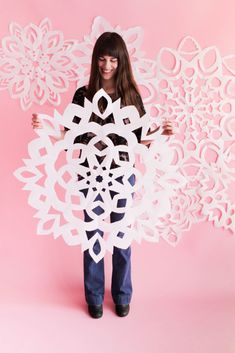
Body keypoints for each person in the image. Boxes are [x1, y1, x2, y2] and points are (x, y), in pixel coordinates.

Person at [32, 32, 173, 319]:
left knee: (121, 236)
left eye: (112, 59)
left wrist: (160, 133)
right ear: (96, 60)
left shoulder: (130, 96)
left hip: (121, 173)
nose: (107, 65)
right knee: (93, 235)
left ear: (121, 62)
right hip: (90, 173)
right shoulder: (83, 95)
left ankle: (122, 295)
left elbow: (139, 139)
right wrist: (44, 127)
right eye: (102, 58)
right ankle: (94, 297)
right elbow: (71, 135)